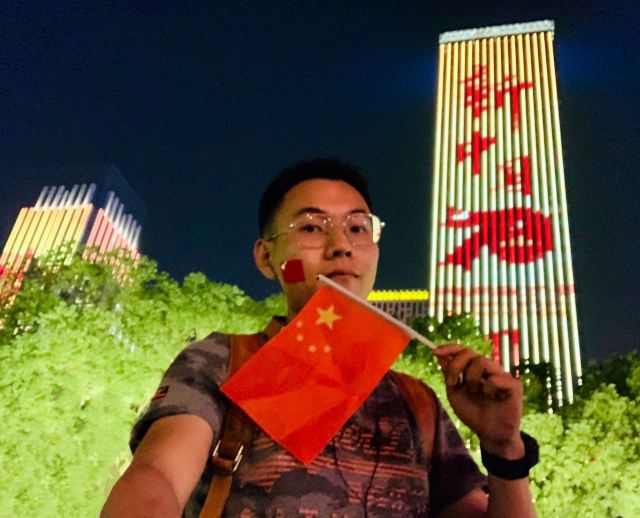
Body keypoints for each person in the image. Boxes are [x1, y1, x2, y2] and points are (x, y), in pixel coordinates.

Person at [102, 158, 537, 517]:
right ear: (267, 257)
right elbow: (157, 477)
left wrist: (504, 449)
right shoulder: (223, 359)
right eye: (311, 227)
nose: (341, 245)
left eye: (358, 227)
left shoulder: (416, 401)